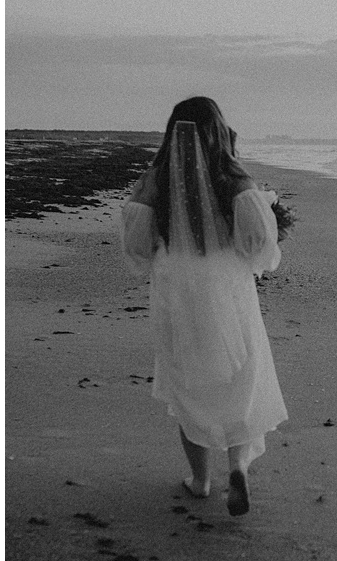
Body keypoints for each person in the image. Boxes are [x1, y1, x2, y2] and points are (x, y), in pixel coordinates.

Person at [121, 96, 287, 515]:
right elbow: (260, 250)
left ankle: (200, 480)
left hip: (177, 286)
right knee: (240, 377)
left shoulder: (155, 179)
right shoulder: (234, 178)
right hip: (227, 286)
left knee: (187, 381)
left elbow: (137, 247)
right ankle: (238, 469)